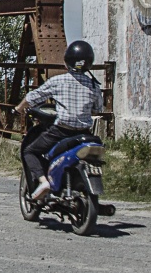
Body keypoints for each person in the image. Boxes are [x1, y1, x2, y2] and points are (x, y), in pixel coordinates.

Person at [15, 40, 102, 201]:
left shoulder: (59, 81)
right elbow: (98, 108)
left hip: (62, 131)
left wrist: (18, 108)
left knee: (30, 151)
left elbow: (32, 97)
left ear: (67, 61)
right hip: (85, 133)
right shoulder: (93, 85)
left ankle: (43, 182)